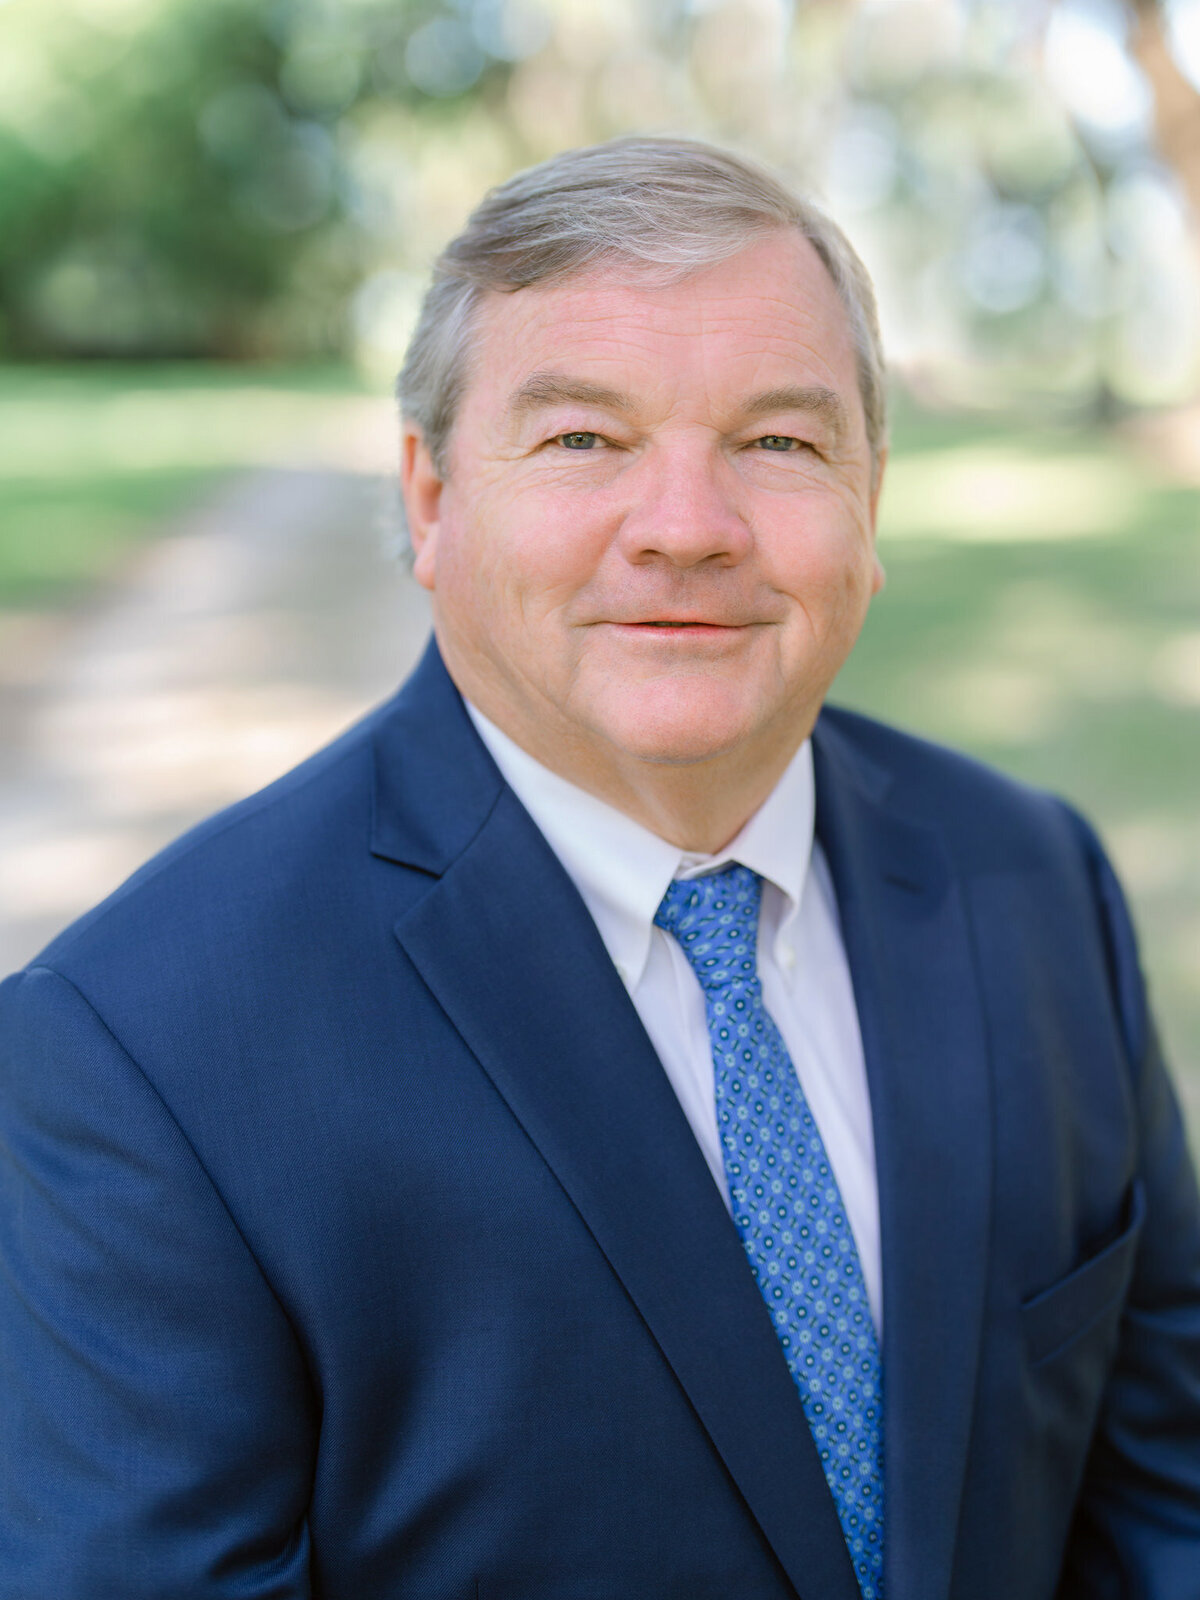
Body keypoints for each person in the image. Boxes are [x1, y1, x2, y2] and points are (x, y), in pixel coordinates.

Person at [2, 135, 1199, 1600]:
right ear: (434, 502)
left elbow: (1165, 1491)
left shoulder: (1038, 885)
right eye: (583, 440)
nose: (688, 530)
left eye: (779, 442)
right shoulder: (139, 1056)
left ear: (868, 502)